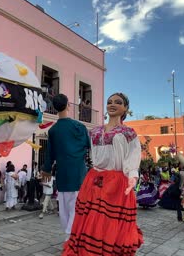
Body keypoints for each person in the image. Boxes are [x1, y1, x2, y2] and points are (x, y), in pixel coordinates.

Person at [62, 93, 143, 255]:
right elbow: (88, 152)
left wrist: (132, 176)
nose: (112, 104)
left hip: (117, 183)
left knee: (108, 221)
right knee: (91, 218)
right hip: (94, 180)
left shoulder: (128, 133)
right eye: (109, 102)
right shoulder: (95, 131)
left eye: (118, 102)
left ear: (125, 108)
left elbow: (133, 156)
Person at [42, 93, 91, 241]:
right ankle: (71, 239)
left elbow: (49, 153)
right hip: (79, 174)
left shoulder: (53, 130)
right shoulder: (80, 127)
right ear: (68, 105)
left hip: (62, 175)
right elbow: (90, 146)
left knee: (64, 210)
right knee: (77, 209)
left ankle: (69, 236)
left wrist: (47, 169)